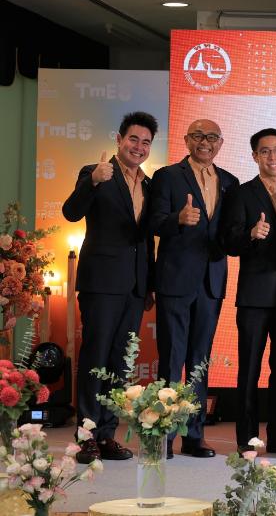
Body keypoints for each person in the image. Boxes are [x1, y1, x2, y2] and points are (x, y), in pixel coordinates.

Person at [62, 111, 158, 464]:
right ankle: (86, 436)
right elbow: (71, 212)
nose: (139, 147)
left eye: (146, 142)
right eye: (133, 139)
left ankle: (106, 435)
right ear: (119, 140)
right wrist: (92, 182)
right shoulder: (96, 171)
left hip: (134, 286)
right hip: (101, 282)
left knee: (120, 362)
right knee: (96, 357)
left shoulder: (149, 185)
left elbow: (146, 240)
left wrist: (149, 284)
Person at [149, 118, 238, 459]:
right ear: (186, 140)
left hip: (211, 281)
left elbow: (229, 232)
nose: (205, 142)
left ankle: (194, 435)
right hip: (175, 279)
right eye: (198, 136)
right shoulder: (167, 176)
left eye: (212, 137)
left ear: (220, 143)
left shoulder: (229, 182)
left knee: (200, 362)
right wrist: (177, 219)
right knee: (172, 360)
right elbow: (153, 222)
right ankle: (164, 436)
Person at [220, 128, 276, 453]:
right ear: (254, 156)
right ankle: (247, 439)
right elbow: (229, 242)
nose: (272, 157)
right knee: (249, 370)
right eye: (265, 151)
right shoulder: (241, 193)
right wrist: (251, 234)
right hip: (254, 296)